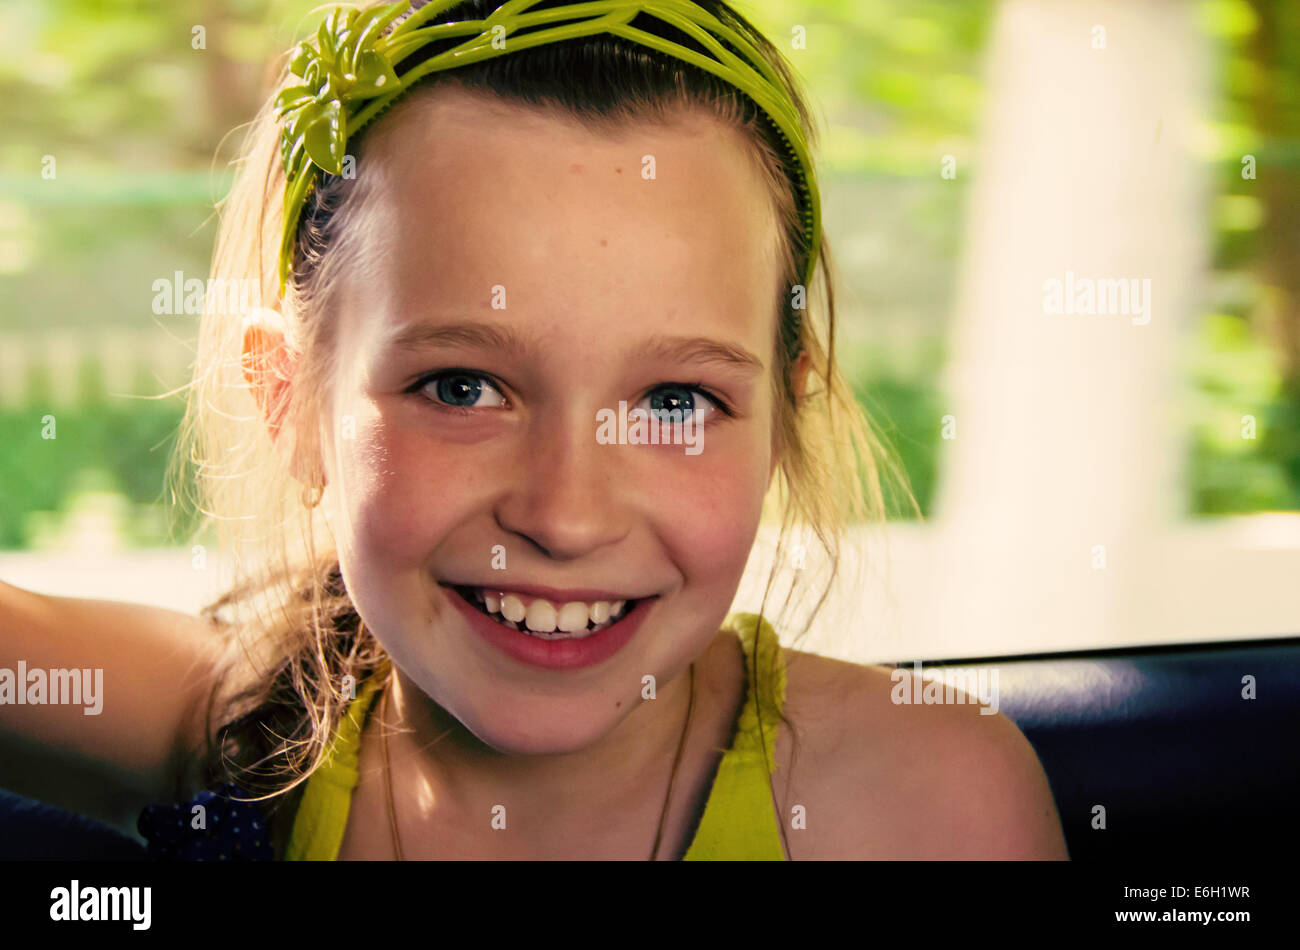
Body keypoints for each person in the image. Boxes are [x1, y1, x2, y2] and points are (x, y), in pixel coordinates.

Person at [1, 0, 1068, 860]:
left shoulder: (927, 806)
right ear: (288, 398)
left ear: (782, 416)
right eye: (462, 387)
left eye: (672, 403)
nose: (565, 512)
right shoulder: (232, 730)